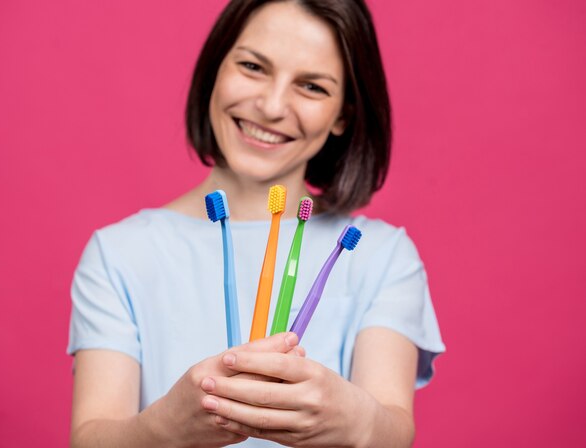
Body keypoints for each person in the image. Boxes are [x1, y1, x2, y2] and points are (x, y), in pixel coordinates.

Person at [67, 0, 445, 446]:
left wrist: (351, 416)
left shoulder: (383, 256)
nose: (270, 105)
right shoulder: (119, 254)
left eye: (311, 86)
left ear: (344, 113)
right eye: (252, 66)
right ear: (216, 69)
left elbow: (392, 432)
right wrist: (167, 425)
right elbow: (91, 437)